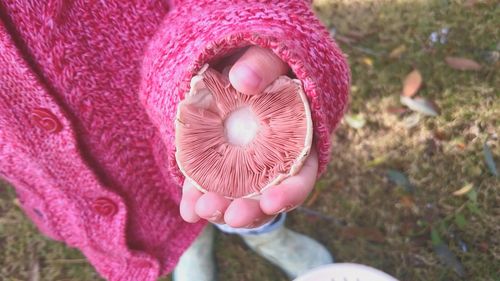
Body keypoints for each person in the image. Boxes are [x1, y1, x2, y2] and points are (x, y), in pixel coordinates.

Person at [0, 0, 349, 280]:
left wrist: (237, 30)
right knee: (192, 214)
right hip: (54, 174)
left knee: (250, 202)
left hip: (172, 110)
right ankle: (192, 245)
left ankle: (270, 239)